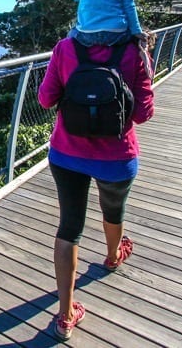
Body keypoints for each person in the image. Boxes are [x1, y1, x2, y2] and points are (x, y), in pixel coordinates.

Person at [38, 34, 155, 341]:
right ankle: (114, 256)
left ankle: (65, 317)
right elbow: (143, 114)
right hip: (116, 157)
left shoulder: (64, 47)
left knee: (69, 227)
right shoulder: (134, 50)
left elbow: (45, 98)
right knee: (113, 211)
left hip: (66, 155)